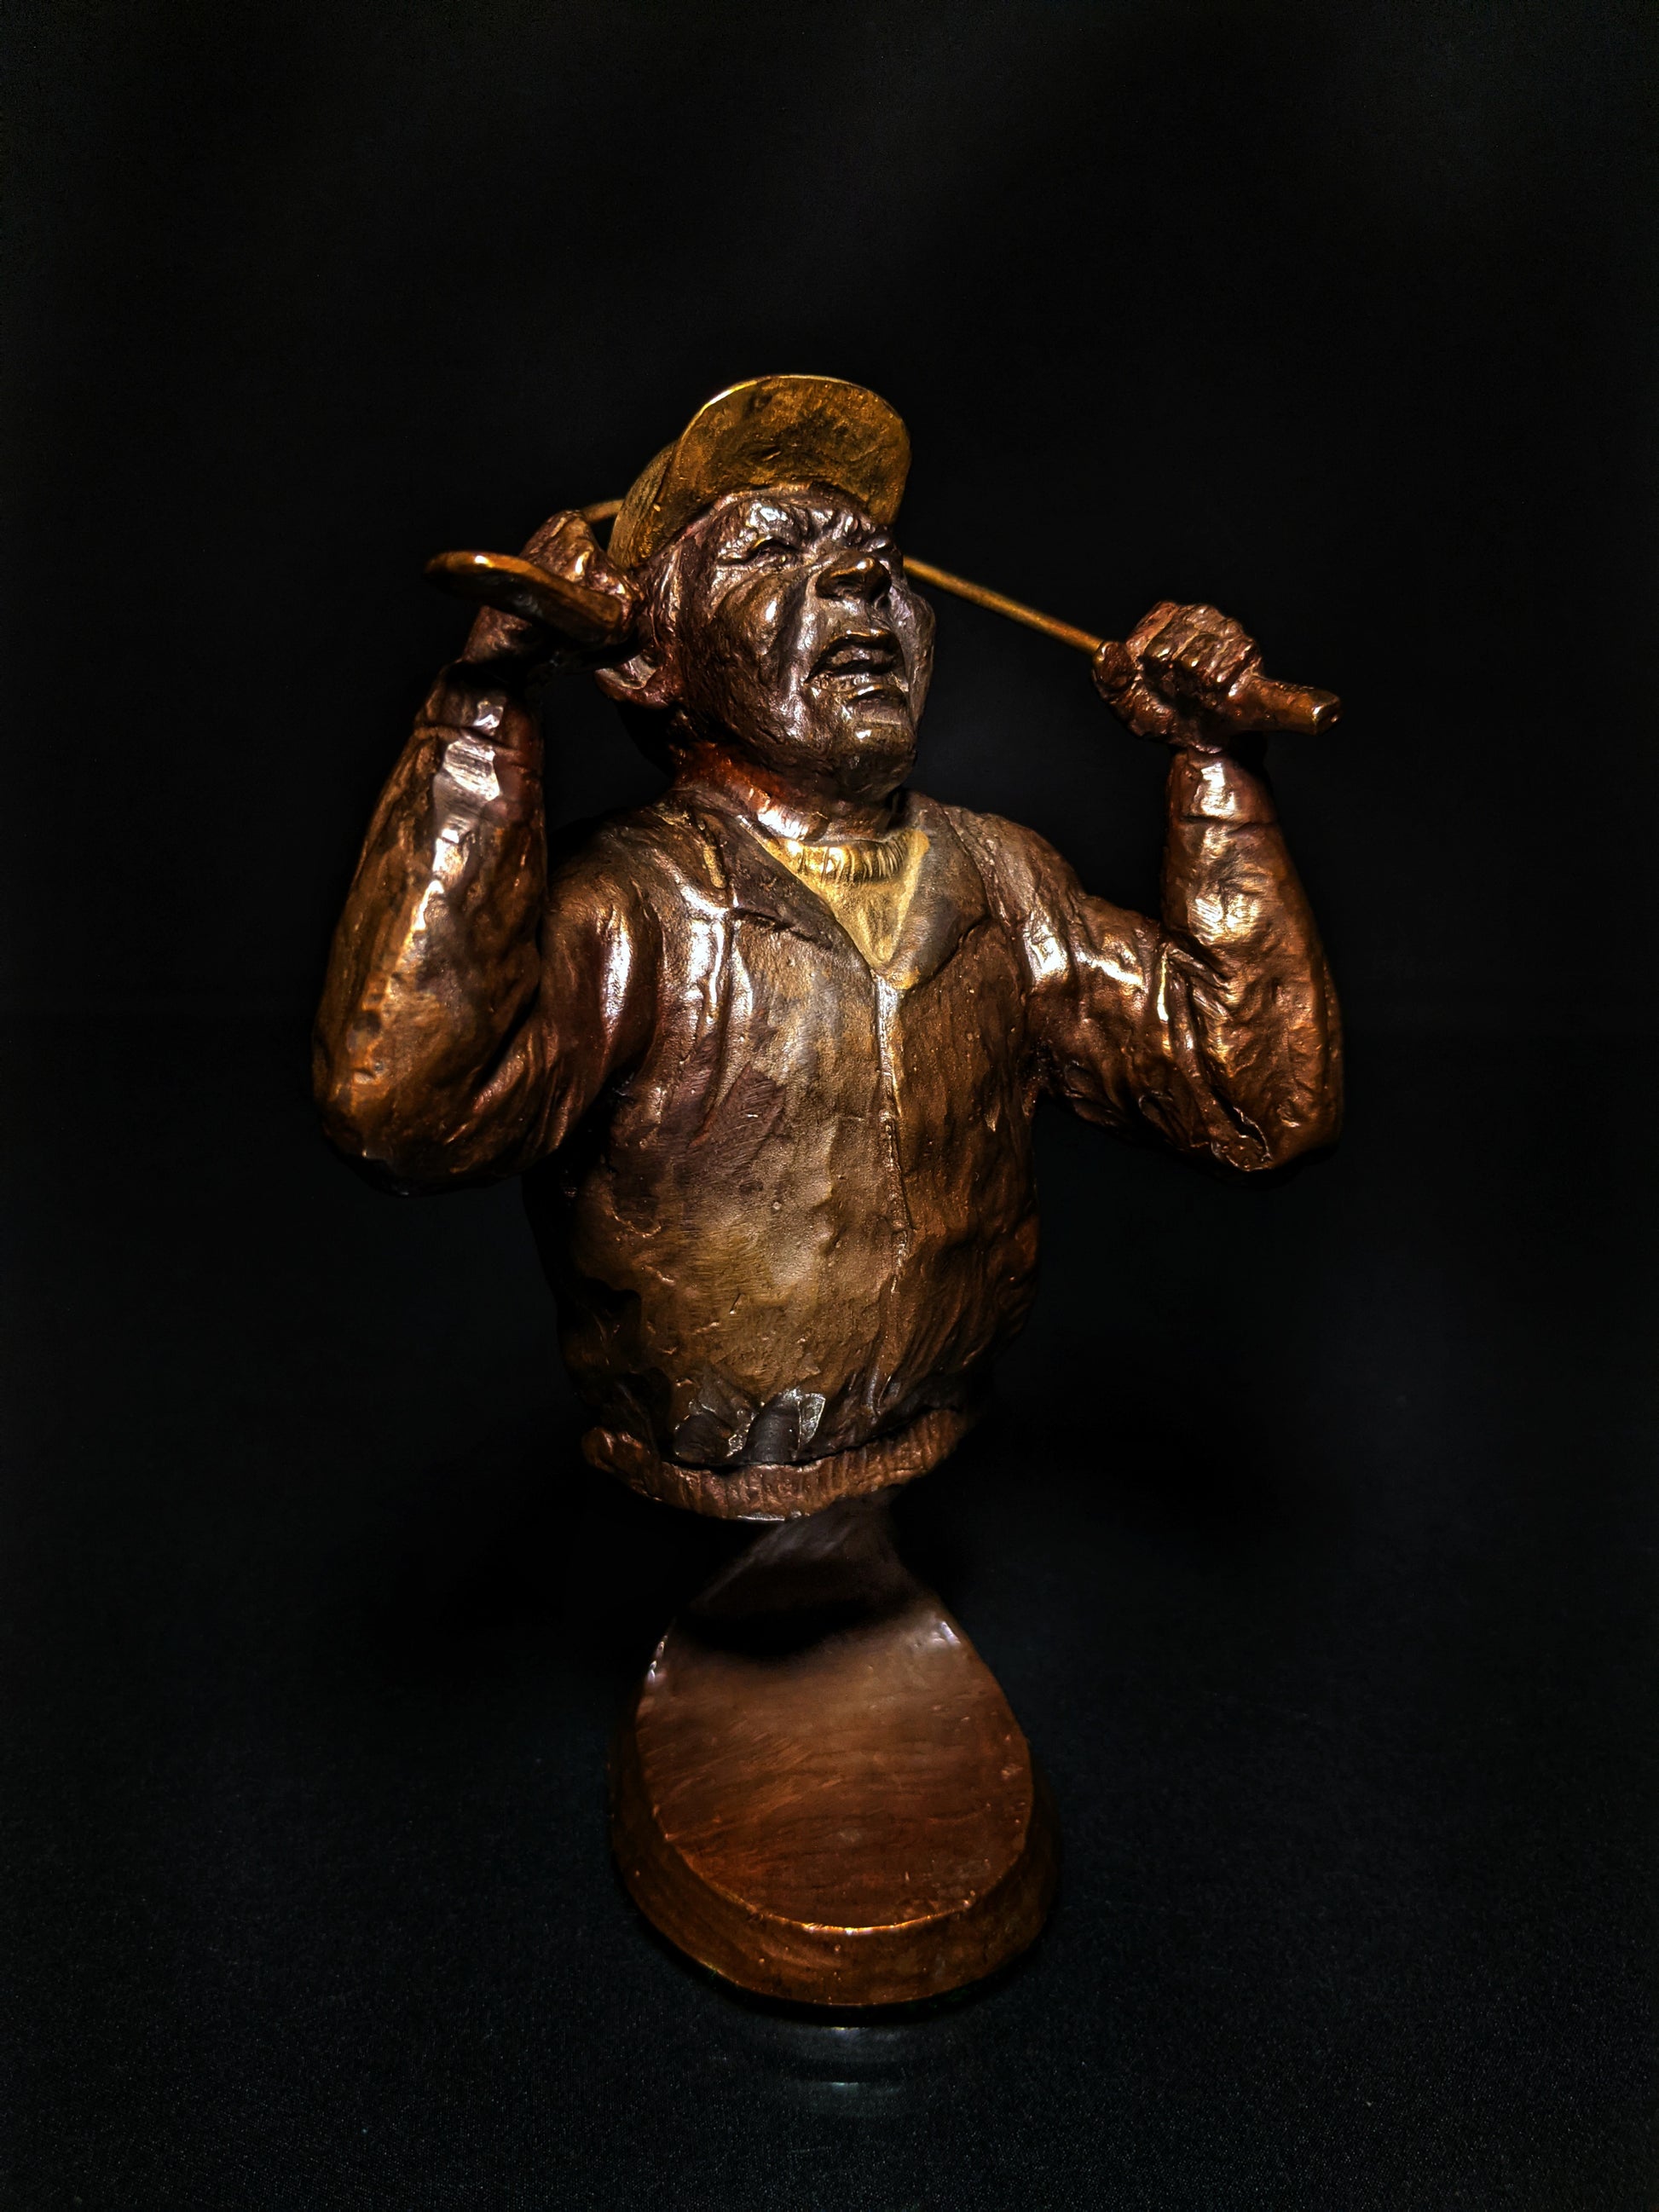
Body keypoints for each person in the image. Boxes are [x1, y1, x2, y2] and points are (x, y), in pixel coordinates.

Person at [315, 376, 1342, 1520]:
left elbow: (1258, 1101)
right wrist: (486, 705)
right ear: (647, 663)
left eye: (880, 562)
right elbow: (406, 1111)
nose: (860, 579)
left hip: (934, 1433)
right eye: (771, 552)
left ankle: (848, 1576)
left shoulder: (1004, 882)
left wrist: (1215, 770)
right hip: (700, 1479)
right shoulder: (633, 902)